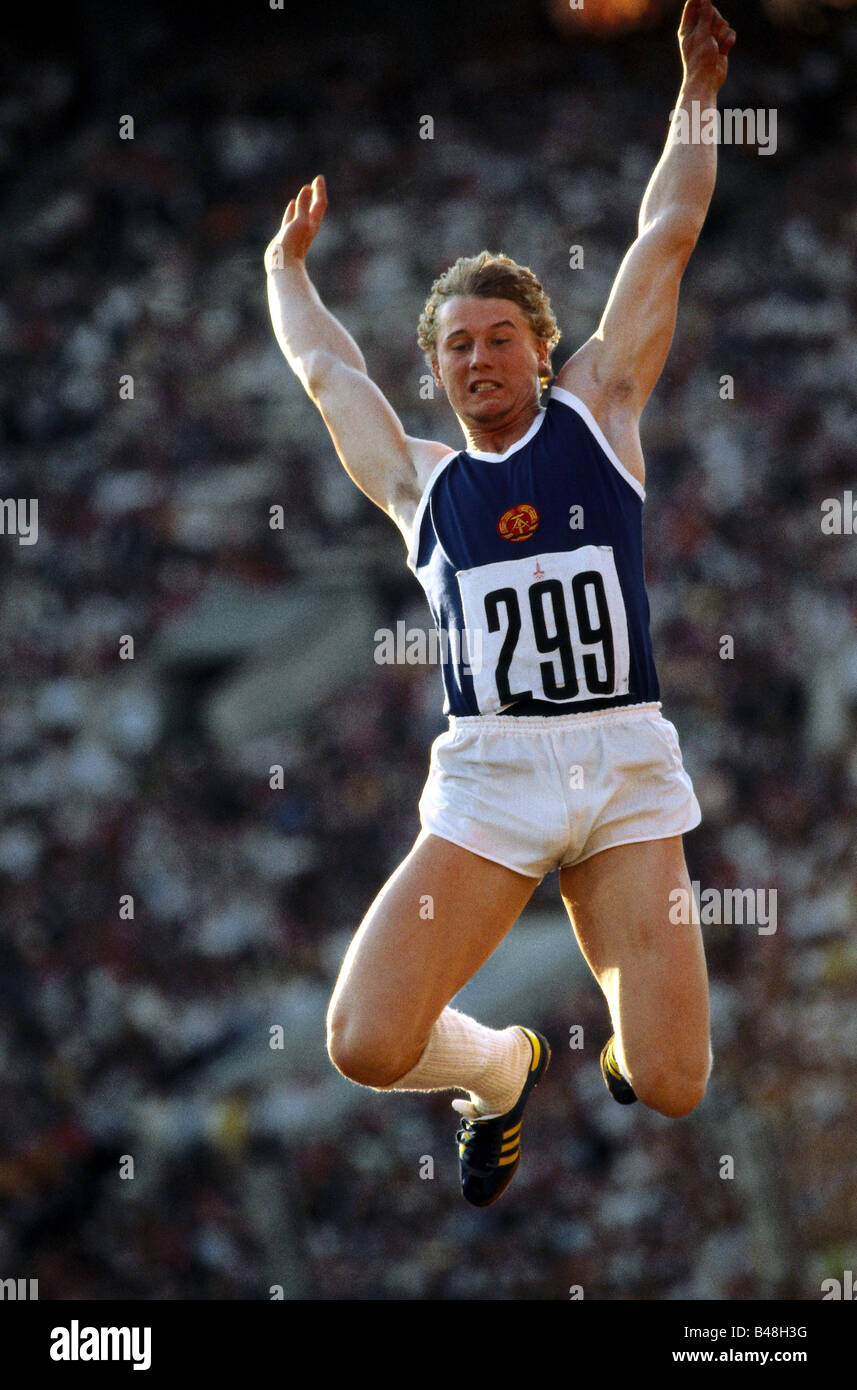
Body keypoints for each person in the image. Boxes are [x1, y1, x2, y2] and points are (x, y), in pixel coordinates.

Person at [265, 0, 736, 1207]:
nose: (475, 359)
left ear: (542, 345)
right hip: (492, 776)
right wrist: (281, 272)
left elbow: (667, 231)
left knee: (677, 1083)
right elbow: (325, 370)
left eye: (497, 337)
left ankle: (629, 1045)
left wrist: (695, 93)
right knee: (366, 1043)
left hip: (624, 763)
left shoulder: (600, 412)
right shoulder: (423, 485)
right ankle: (497, 1067)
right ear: (436, 371)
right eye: (453, 348)